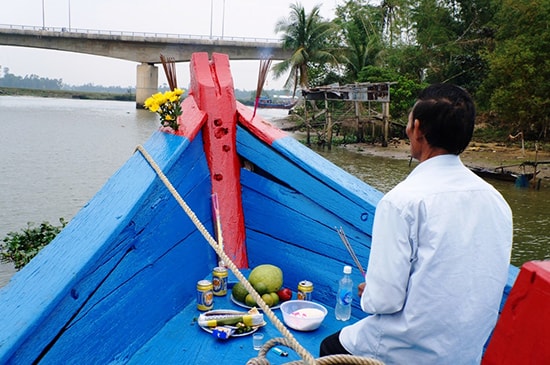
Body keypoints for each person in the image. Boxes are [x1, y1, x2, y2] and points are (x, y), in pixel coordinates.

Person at [320, 83, 513, 364]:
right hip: (464, 352)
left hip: (407, 350)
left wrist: (372, 292)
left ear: (417, 128)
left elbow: (384, 301)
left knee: (329, 348)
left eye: (410, 122)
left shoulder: (402, 201)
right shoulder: (498, 203)